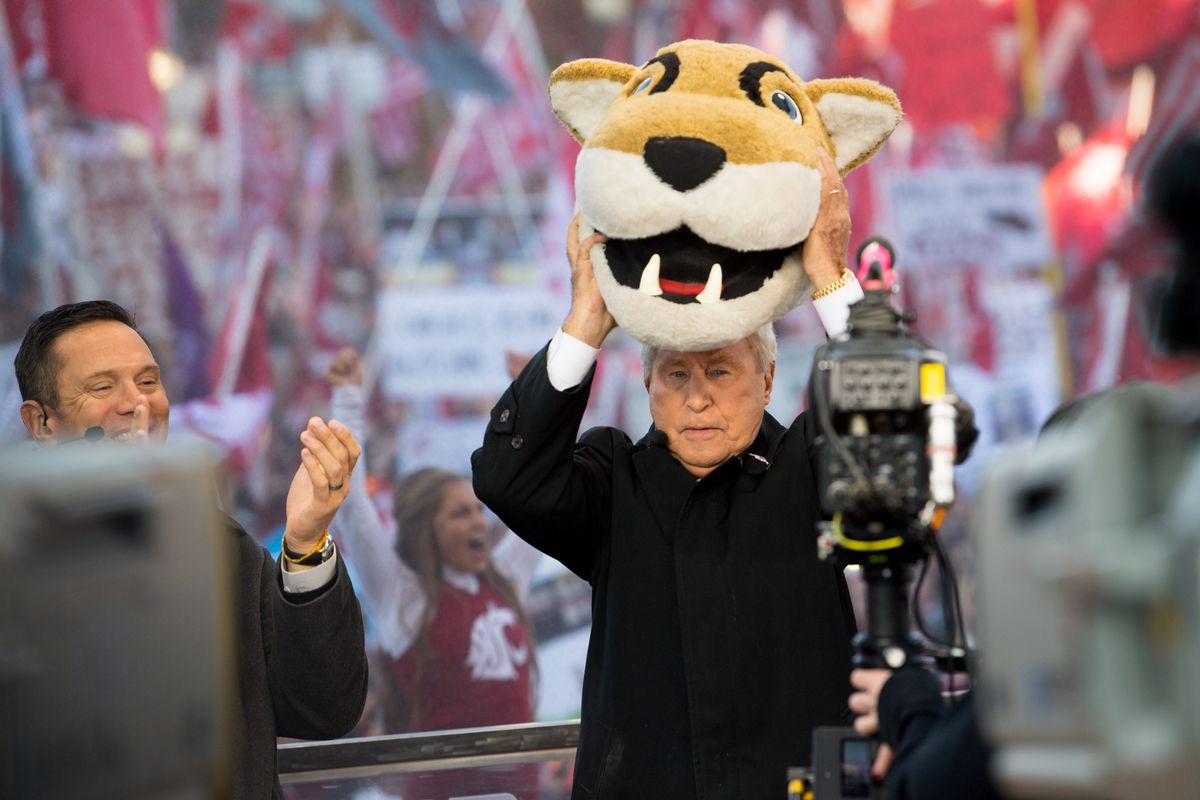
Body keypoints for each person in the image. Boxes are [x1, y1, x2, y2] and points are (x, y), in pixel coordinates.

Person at [472, 150, 875, 799]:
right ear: (647, 383)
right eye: (675, 375)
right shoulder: (613, 483)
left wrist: (829, 279)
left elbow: (890, 430)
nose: (696, 399)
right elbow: (505, 477)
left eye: (719, 371)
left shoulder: (810, 467)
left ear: (768, 378)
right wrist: (585, 325)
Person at [13, 300, 369, 799]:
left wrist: (305, 544)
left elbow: (326, 708)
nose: (135, 403)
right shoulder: (16, 563)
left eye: (148, 381)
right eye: (101, 387)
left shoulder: (219, 545)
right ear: (41, 423)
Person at [326, 347, 543, 797]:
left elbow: (545, 489)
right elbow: (352, 505)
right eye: (461, 514)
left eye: (479, 510)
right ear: (429, 528)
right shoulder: (403, 596)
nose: (480, 523)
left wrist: (534, 398)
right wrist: (348, 397)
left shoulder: (505, 580)